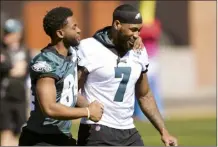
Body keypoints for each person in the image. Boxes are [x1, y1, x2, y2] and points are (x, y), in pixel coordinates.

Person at [77, 4, 178, 146]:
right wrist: (88, 109)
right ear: (117, 24)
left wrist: (164, 131)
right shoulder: (89, 48)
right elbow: (71, 91)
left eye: (139, 30)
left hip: (128, 131)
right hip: (97, 130)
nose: (137, 35)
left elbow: (145, 95)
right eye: (133, 29)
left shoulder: (139, 51)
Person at [18, 7, 104, 146]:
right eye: (74, 27)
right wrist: (87, 111)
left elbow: (68, 95)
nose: (79, 30)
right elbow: (50, 107)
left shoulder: (73, 53)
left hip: (61, 136)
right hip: (41, 139)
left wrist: (135, 40)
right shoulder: (46, 62)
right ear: (60, 33)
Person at [0, 18, 31, 146]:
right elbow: (5, 67)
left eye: (10, 33)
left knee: (19, 131)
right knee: (5, 130)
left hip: (20, 97)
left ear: (18, 34)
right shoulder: (2, 51)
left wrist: (16, 68)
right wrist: (13, 68)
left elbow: (26, 69)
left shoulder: (25, 51)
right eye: (6, 33)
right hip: (4, 97)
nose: (7, 36)